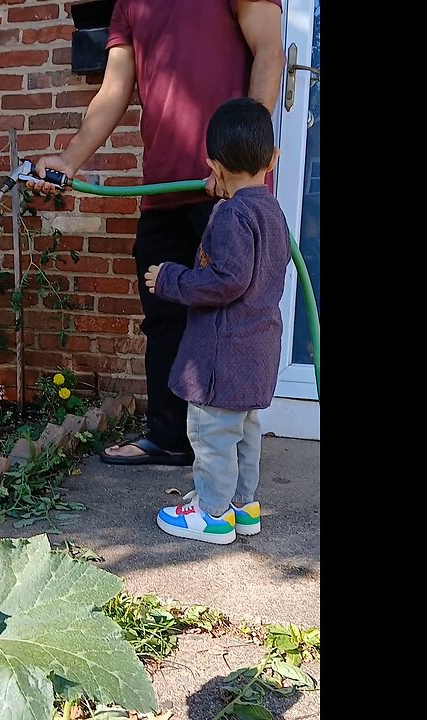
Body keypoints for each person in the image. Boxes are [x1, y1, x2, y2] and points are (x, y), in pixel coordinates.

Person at [24, 0, 284, 466]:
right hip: (163, 190)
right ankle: (170, 439)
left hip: (225, 191)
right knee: (163, 316)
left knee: (226, 320)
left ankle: (227, 454)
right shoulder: (130, 4)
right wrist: (70, 159)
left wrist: (241, 162)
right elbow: (113, 90)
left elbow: (269, 51)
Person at [141, 97, 289, 545]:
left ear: (213, 166)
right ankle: (243, 507)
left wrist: (169, 278)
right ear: (274, 159)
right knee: (244, 432)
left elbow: (224, 281)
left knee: (211, 434)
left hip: (222, 358)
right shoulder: (272, 212)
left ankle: (211, 514)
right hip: (257, 352)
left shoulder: (231, 216)